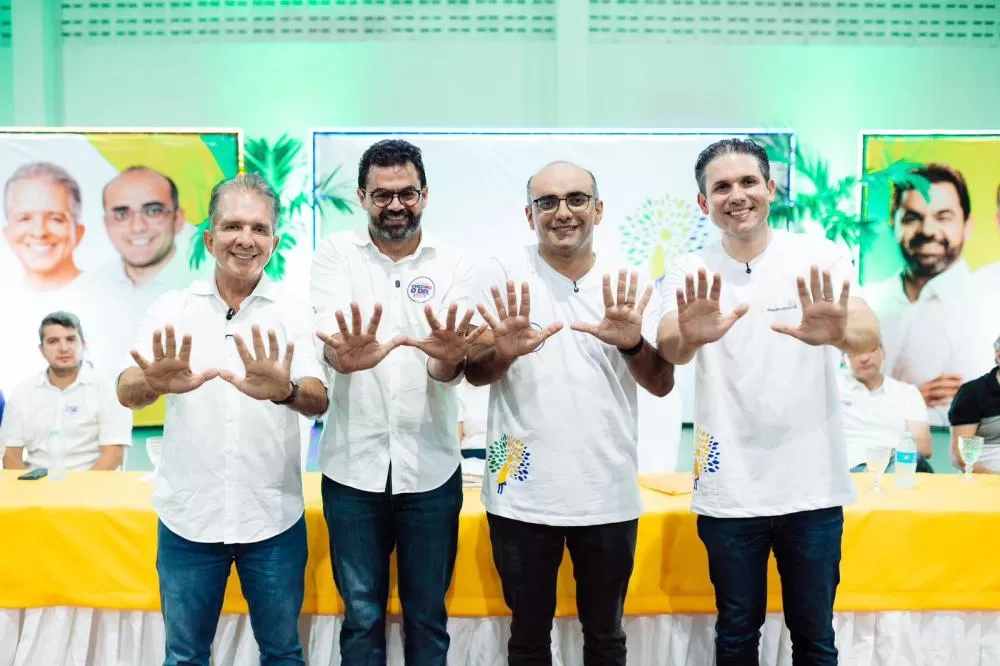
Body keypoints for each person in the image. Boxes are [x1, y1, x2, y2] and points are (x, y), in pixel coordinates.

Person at [657, 138, 880, 665]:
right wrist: (690, 336)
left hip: (813, 486)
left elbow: (868, 331)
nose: (737, 195)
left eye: (748, 182)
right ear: (703, 202)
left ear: (771, 189)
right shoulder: (690, 268)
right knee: (736, 634)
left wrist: (839, 332)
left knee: (815, 637)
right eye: (722, 187)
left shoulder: (817, 255)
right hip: (728, 488)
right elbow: (669, 346)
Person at [464, 161, 674, 666]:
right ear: (528, 214)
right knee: (528, 637)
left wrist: (632, 345)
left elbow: (662, 383)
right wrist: (504, 352)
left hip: (607, 491)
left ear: (598, 210)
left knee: (605, 637)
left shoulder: (630, 283)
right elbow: (474, 373)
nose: (563, 212)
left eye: (577, 199)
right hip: (519, 490)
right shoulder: (498, 275)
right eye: (548, 202)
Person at [116, 173, 329, 666]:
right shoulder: (171, 308)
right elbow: (127, 390)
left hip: (272, 518)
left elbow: (318, 398)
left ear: (273, 243)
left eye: (259, 228)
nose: (246, 239)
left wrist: (287, 392)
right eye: (233, 225)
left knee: (282, 653)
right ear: (210, 238)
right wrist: (155, 383)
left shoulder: (294, 313)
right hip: (189, 519)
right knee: (185, 656)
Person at [310, 139, 482, 665]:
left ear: (425, 194)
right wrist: (346, 359)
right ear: (363, 197)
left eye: (407, 192)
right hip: (351, 471)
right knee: (360, 616)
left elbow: (446, 363)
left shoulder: (458, 263)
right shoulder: (334, 256)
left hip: (430, 469)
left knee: (427, 616)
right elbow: (332, 350)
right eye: (381, 195)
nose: (395, 205)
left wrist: (451, 359)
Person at [863, 164, 990, 425]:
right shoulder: (869, 301)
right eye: (912, 217)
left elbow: (969, 414)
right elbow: (847, 401)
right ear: (892, 223)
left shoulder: (987, 304)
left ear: (968, 226)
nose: (927, 230)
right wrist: (912, 399)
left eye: (943, 217)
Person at [1, 311, 131, 471]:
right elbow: (11, 456)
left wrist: (75, 493)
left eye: (71, 339)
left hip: (92, 487)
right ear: (41, 349)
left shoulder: (107, 390)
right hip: (35, 486)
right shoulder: (22, 392)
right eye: (53, 341)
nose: (63, 348)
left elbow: (113, 456)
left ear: (84, 344)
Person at [839, 344, 931, 472]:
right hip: (849, 469)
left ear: (883, 353)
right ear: (843, 359)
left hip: (896, 464)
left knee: (911, 460)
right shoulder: (833, 390)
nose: (864, 358)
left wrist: (886, 458)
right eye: (855, 352)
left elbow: (923, 446)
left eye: (870, 349)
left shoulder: (907, 393)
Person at [100, 166, 191, 292]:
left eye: (153, 211)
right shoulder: (88, 290)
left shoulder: (214, 285)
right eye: (122, 215)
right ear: (106, 225)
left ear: (178, 220)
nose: (138, 227)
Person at [3, 162, 86, 291]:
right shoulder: (6, 299)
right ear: (7, 233)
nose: (39, 232)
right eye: (24, 218)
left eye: (55, 219)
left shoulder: (107, 297)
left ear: (78, 232)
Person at [947, 335, 1000, 473]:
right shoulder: (972, 392)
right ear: (998, 355)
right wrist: (994, 480)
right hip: (987, 482)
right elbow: (959, 455)